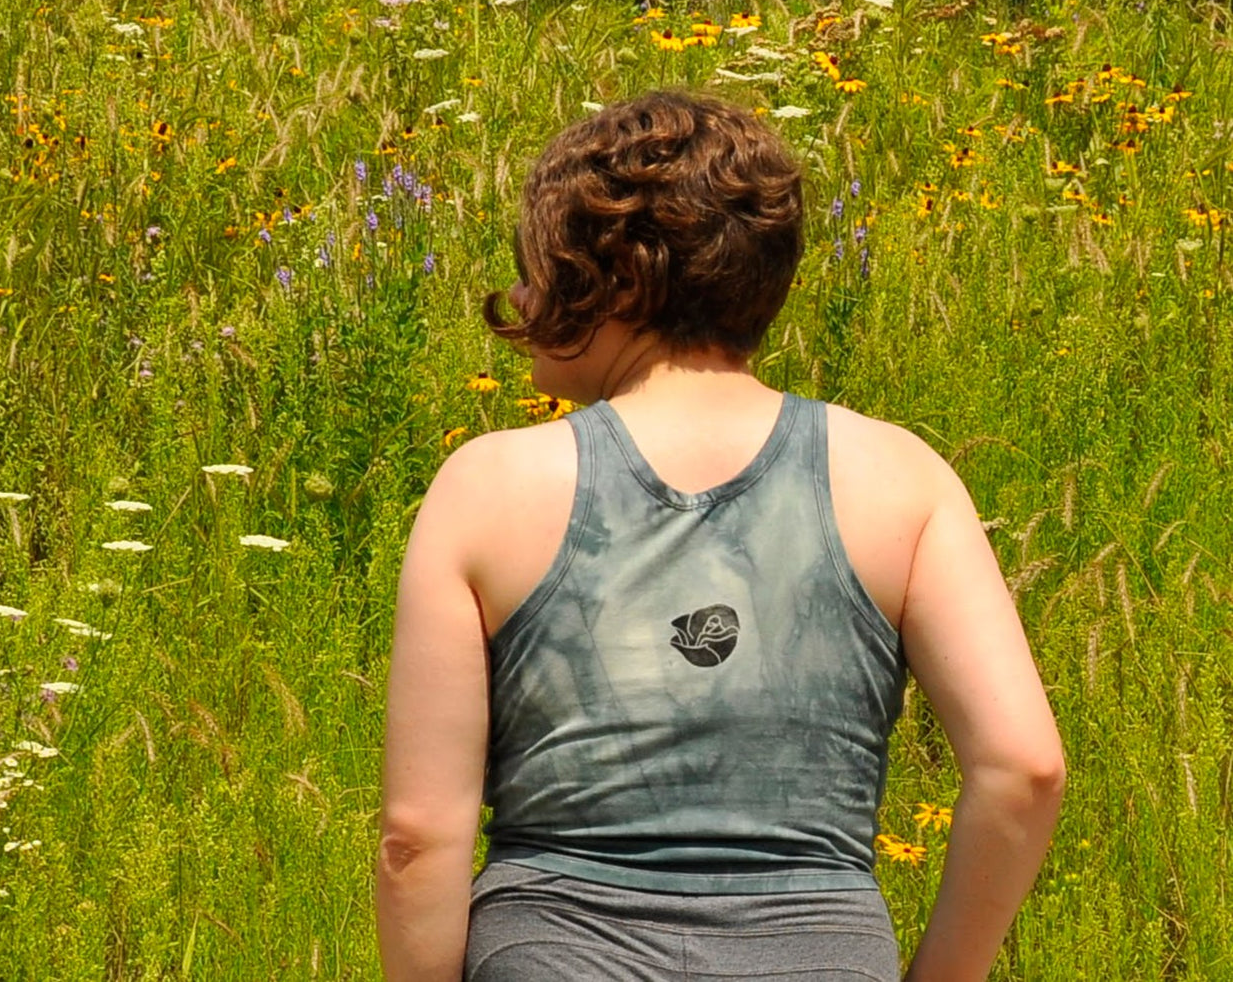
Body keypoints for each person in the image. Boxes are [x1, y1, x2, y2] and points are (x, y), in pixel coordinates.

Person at [376, 90, 1065, 981]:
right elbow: (1023, 767)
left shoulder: (487, 484)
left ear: (617, 277)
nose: (518, 294)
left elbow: (416, 838)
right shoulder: (901, 477)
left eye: (533, 265)